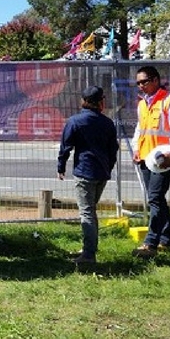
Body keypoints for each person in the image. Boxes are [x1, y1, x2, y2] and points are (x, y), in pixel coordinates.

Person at [57, 86, 118, 264]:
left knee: (87, 213)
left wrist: (61, 166)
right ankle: (89, 247)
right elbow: (112, 150)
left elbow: (65, 147)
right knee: (91, 210)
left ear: (83, 101)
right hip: (102, 173)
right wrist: (109, 167)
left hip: (84, 172)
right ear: (101, 102)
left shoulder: (75, 121)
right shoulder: (107, 123)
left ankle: (88, 255)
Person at [131, 66, 170, 258]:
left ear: (155, 80)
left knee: (154, 198)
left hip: (165, 160)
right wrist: (136, 149)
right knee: (156, 199)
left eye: (144, 82)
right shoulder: (142, 104)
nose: (141, 86)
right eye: (138, 83)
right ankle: (167, 240)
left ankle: (150, 243)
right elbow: (140, 129)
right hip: (147, 158)